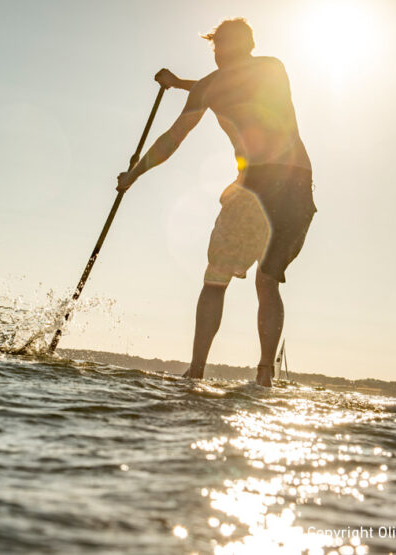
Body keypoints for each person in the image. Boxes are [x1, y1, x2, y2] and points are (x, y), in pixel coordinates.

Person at [116, 18, 316, 387]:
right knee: (251, 280)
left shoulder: (265, 69)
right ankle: (227, 373)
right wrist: (135, 174)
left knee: (247, 280)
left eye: (227, 44)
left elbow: (231, 87)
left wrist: (183, 85)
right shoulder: (232, 79)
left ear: (248, 44)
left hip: (272, 183)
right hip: (293, 183)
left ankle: (242, 373)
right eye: (218, 45)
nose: (221, 52)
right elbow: (172, 138)